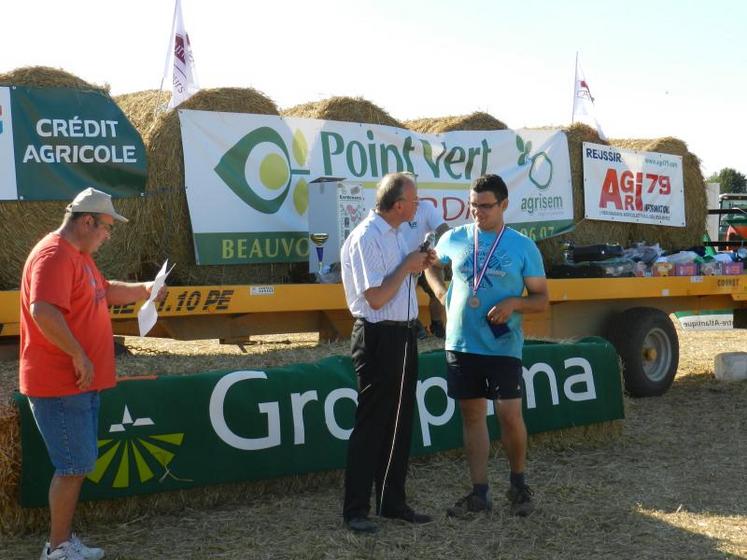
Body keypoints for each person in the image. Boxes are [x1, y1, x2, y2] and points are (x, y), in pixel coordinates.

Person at [19, 188, 166, 560]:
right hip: (61, 381)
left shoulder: (78, 256)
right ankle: (57, 548)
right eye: (106, 227)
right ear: (87, 221)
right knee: (73, 467)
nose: (108, 234)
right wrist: (79, 356)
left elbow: (105, 290)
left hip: (76, 382)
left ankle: (62, 541)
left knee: (76, 465)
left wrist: (145, 290)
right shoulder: (54, 255)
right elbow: (43, 311)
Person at [425, 174, 548, 518]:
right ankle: (479, 493)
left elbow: (541, 299)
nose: (477, 212)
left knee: (509, 415)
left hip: (503, 345)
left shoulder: (523, 246)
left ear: (504, 205)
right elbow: (430, 265)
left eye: (485, 206)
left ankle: (519, 485)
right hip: (461, 343)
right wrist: (439, 292)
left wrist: (514, 303)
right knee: (472, 415)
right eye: (473, 205)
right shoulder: (455, 238)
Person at [340, 172, 437, 533]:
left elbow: (396, 284)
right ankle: (355, 510)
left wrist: (416, 267)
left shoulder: (395, 234)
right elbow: (377, 297)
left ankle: (391, 502)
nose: (418, 206)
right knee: (372, 424)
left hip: (403, 335)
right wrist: (406, 268)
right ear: (398, 205)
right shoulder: (367, 237)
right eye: (414, 201)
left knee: (399, 422)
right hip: (379, 337)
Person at [398, 191, 450, 339]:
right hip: (402, 262)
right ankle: (413, 323)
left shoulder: (425, 207)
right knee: (404, 295)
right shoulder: (393, 211)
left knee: (437, 291)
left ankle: (437, 324)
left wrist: (449, 248)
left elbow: (443, 229)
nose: (415, 197)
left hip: (424, 259)